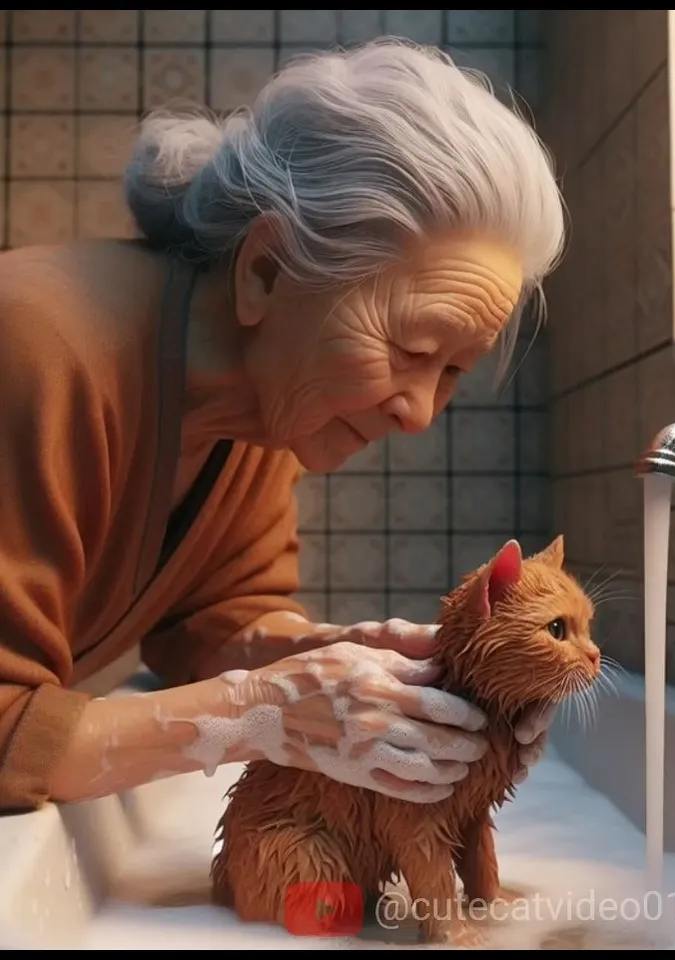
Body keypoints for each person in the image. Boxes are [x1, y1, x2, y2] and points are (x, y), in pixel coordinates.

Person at [0, 37, 565, 814]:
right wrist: (260, 712)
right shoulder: (34, 346)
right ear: (266, 271)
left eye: (453, 371)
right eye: (412, 348)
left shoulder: (265, 412)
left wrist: (328, 660)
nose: (419, 412)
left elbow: (211, 621)